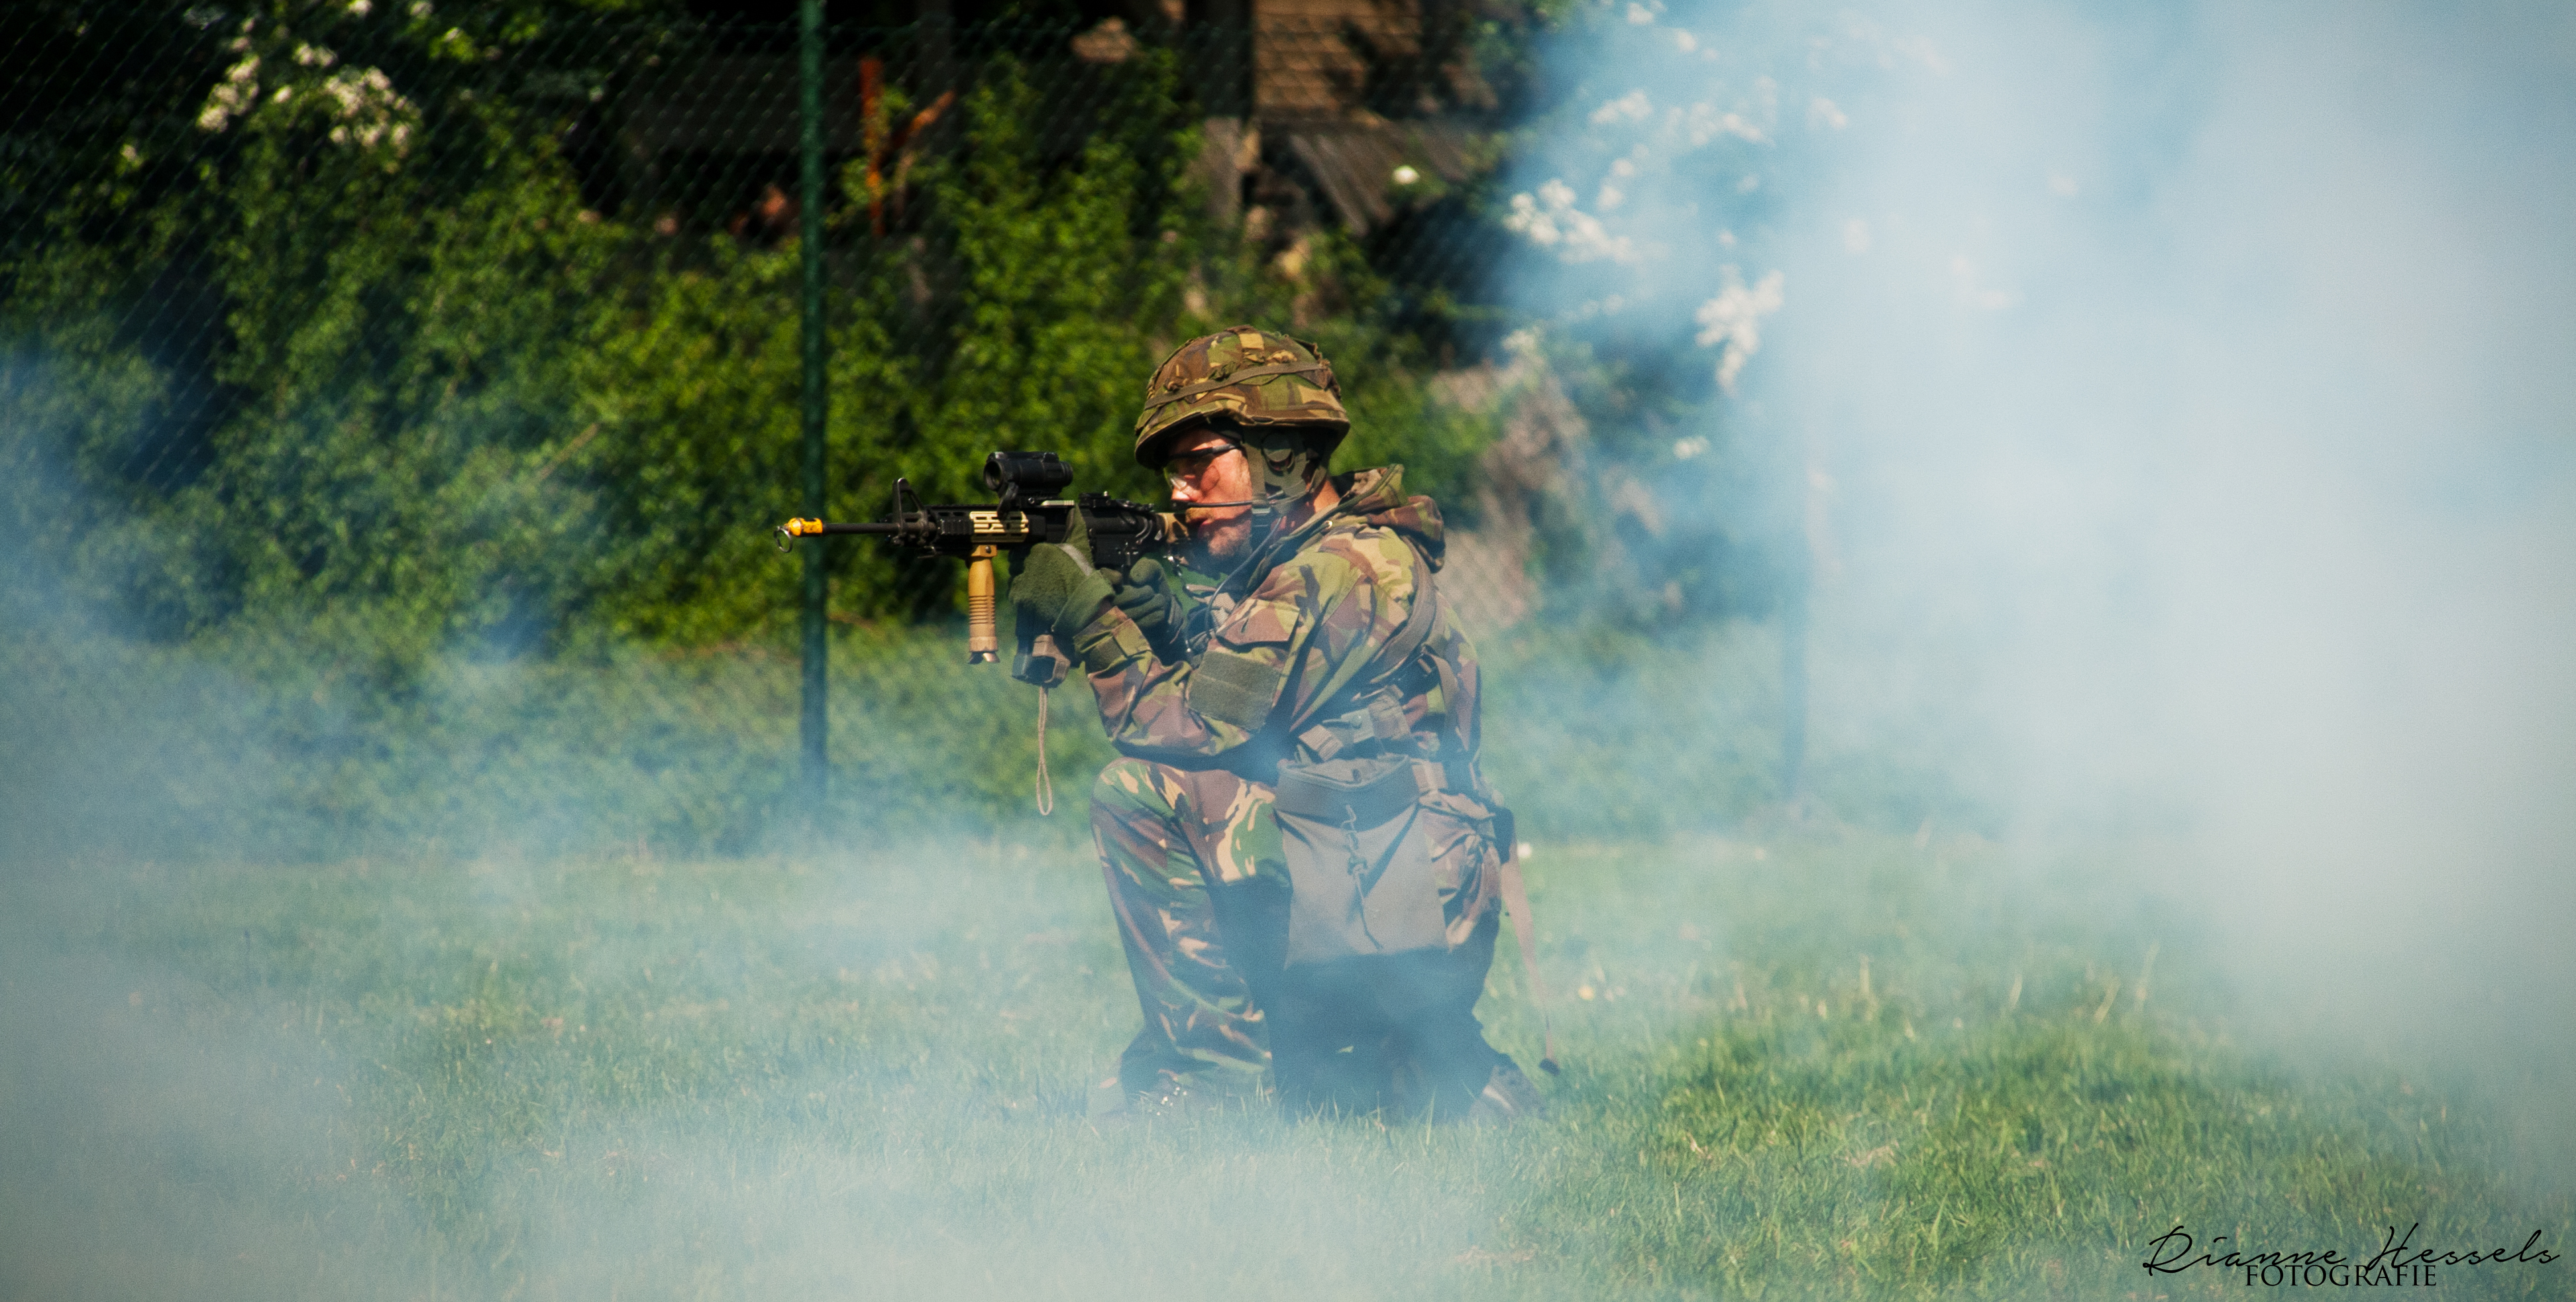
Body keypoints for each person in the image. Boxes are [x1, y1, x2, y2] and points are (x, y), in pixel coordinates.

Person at [1008, 325, 1547, 1124]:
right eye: (1171, 475)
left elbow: (1196, 731)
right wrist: (1167, 628)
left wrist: (1091, 615)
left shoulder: (1337, 569)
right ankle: (1428, 1061)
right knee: (1380, 1087)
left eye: (1198, 465)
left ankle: (1216, 1091)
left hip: (1396, 887)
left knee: (1141, 791)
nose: (1179, 493)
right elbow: (1266, 716)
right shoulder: (1323, 559)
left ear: (1281, 455)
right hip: (1388, 869)